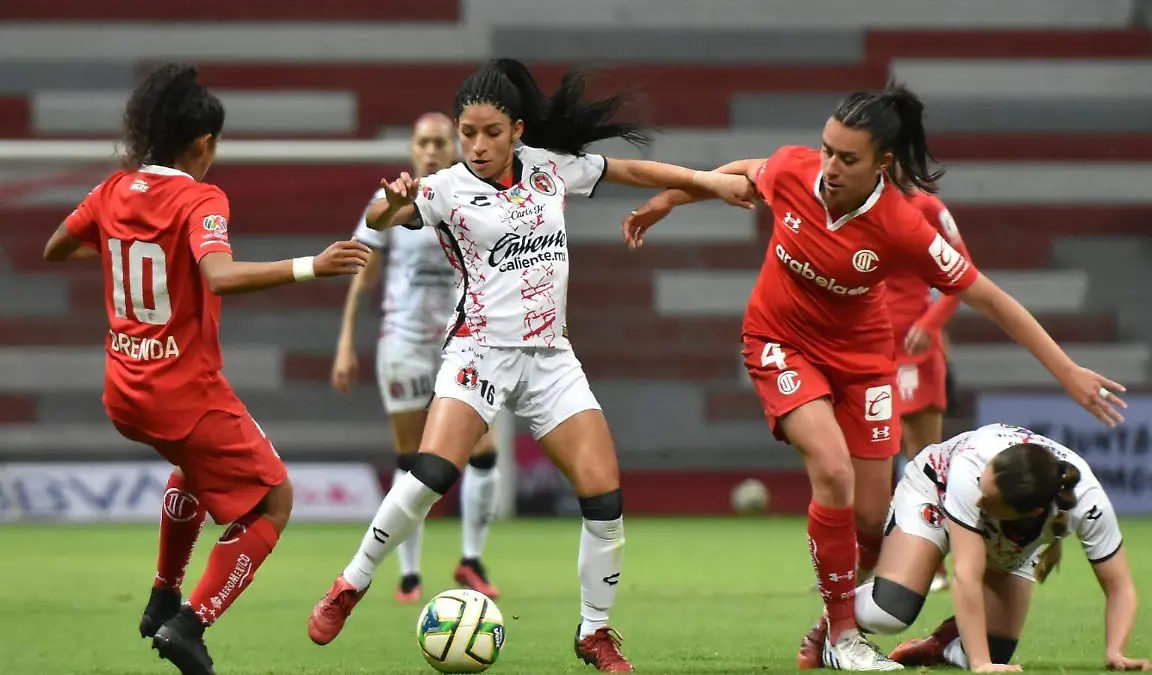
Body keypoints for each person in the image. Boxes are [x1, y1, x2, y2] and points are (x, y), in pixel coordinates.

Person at [621, 82, 1127, 671]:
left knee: (869, 519)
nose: (829, 166)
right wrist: (669, 199)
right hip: (781, 343)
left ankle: (835, 631)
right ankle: (843, 636)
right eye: (826, 149)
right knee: (832, 470)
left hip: (863, 363)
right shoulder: (795, 170)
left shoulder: (902, 226)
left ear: (882, 163)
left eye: (847, 157)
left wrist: (1066, 371)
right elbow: (742, 172)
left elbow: (989, 297)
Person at [306, 58, 754, 673]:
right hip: (478, 353)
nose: (478, 145)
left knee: (604, 497)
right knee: (430, 473)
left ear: (516, 130)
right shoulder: (443, 189)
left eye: (491, 132)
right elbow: (386, 217)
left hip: (550, 358)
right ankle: (350, 584)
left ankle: (594, 632)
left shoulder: (548, 168)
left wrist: (709, 182)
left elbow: (630, 170)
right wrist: (391, 204)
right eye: (468, 133)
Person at [42, 63, 370, 675]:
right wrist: (311, 266)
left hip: (123, 390)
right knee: (274, 501)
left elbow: (55, 247)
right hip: (183, 394)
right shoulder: (200, 197)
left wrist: (126, 249)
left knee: (194, 469)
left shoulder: (113, 190)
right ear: (202, 143)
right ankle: (189, 624)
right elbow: (219, 275)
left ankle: (163, 596)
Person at [333, 111, 501, 603]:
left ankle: (471, 559)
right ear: (411, 147)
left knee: (484, 452)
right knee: (412, 458)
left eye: (440, 142)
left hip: (459, 344)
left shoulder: (472, 197)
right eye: (423, 142)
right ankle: (409, 574)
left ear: (454, 148)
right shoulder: (388, 203)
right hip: (404, 344)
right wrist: (345, 341)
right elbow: (362, 273)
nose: (431, 151)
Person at [848, 423, 1152, 673]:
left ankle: (938, 645)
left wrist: (1115, 652)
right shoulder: (973, 470)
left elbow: (1120, 587)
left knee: (995, 648)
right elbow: (966, 575)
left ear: (1032, 512)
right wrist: (981, 664)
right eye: (984, 488)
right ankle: (836, 625)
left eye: (989, 500)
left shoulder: (1088, 501)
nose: (979, 501)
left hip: (1007, 529)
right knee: (888, 612)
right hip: (934, 489)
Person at [887, 188, 974, 594]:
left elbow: (963, 273)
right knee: (863, 458)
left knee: (924, 462)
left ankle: (933, 566)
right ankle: (863, 563)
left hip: (915, 351)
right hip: (868, 347)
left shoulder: (926, 207)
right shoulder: (853, 201)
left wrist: (930, 323)